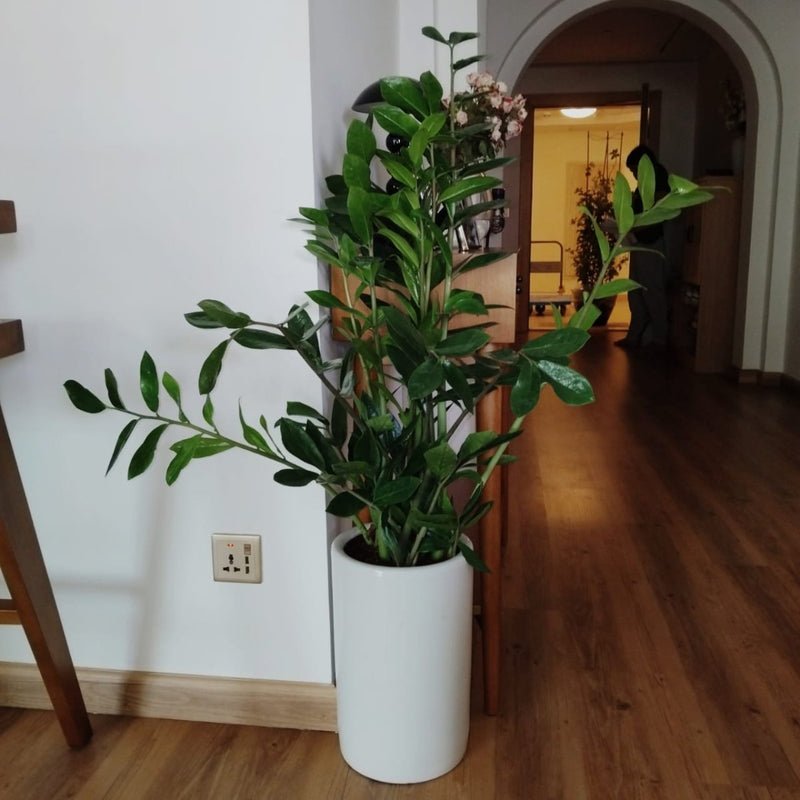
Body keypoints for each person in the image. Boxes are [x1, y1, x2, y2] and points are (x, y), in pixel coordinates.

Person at [615, 145, 671, 352]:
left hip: (650, 243)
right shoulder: (643, 185)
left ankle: (659, 340)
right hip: (639, 242)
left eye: (634, 170)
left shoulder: (658, 178)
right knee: (636, 292)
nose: (634, 175)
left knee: (652, 292)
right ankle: (635, 335)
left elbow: (660, 211)